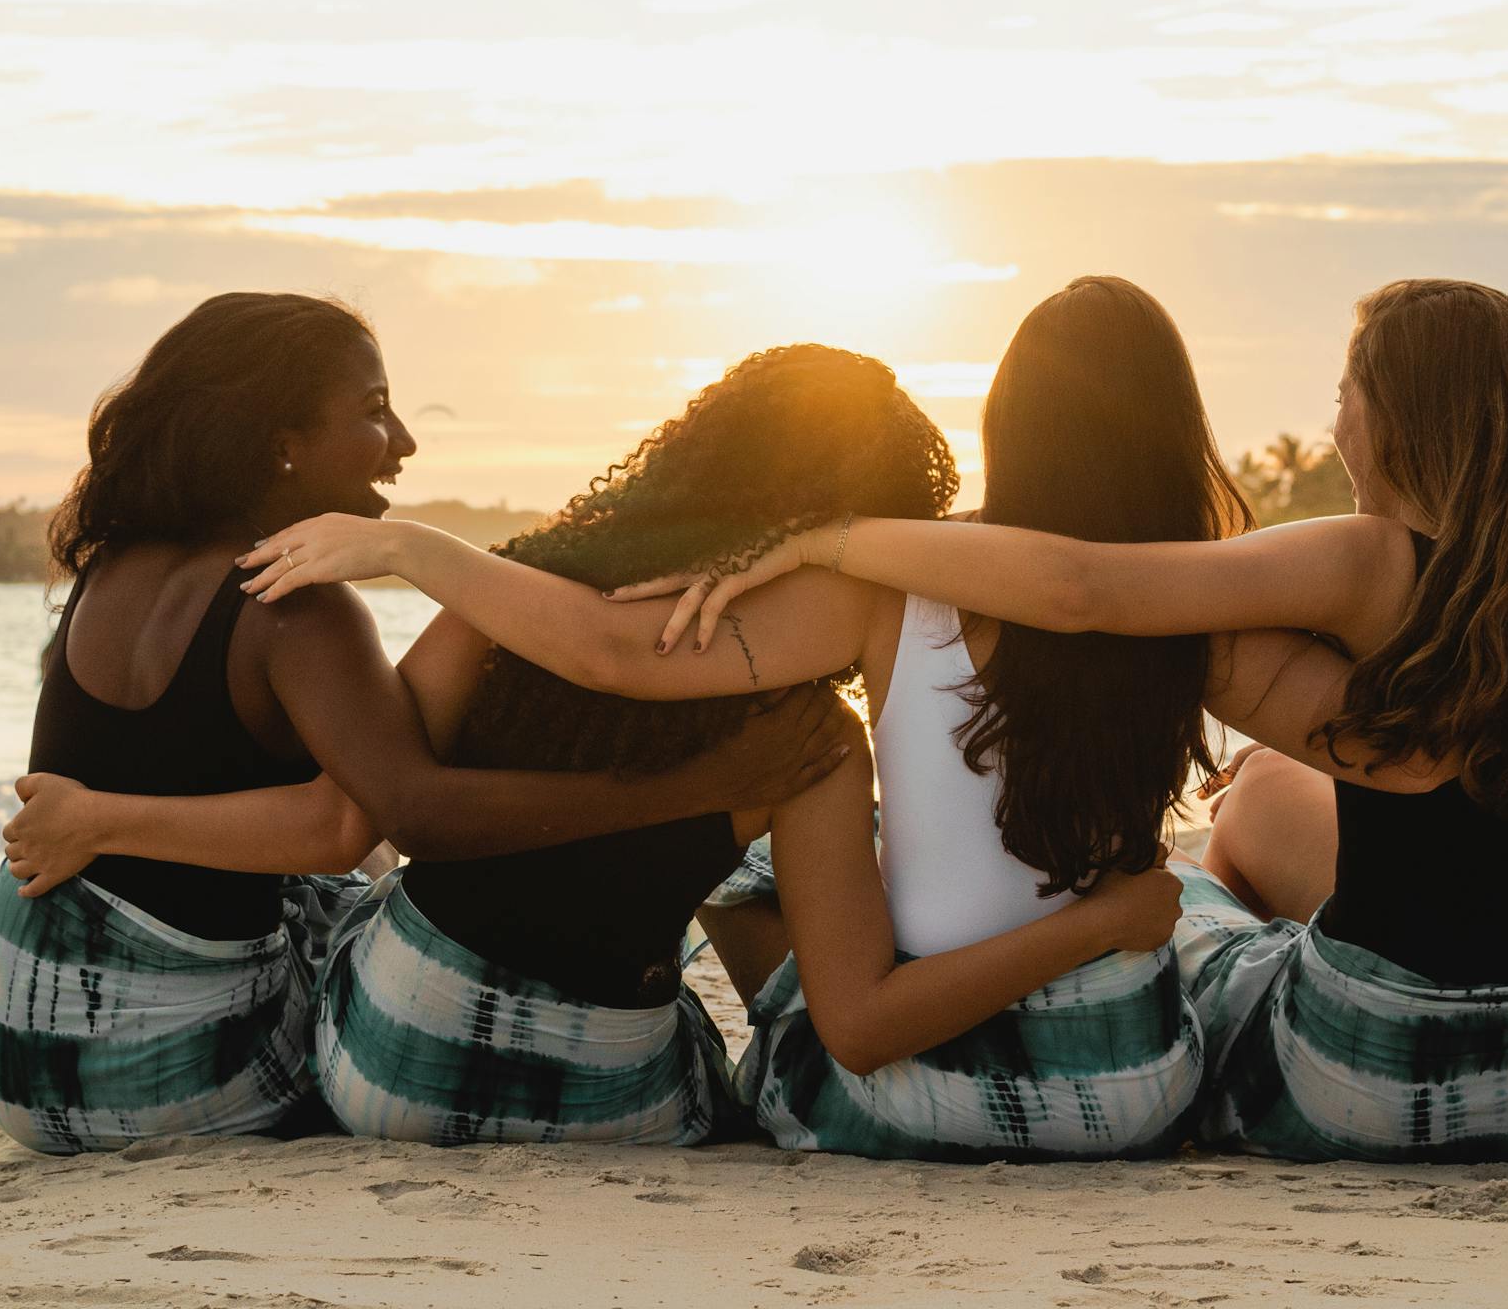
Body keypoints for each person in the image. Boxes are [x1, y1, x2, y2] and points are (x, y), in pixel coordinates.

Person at [242, 283, 1349, 1160]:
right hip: (1128, 1100)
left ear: (1008, 423)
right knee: (1196, 904)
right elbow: (1374, 745)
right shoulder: (1201, 612)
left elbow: (614, 653)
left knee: (760, 892)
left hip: (889, 1105)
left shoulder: (876, 591)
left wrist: (416, 550)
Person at [610, 278, 1508, 1163]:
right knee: (1267, 794)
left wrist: (830, 538)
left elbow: (1085, 590)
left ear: (1407, 412)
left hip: (1355, 1074)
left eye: (1344, 392)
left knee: (1199, 923)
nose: (1333, 425)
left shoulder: (1367, 558)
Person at [17, 341, 1184, 1149]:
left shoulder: (513, 584)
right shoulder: (807, 739)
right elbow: (857, 1021)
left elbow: (361, 798)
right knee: (723, 968)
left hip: (380, 1068)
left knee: (350, 915)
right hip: (602, 1092)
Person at [0, 294, 848, 1154]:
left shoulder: (113, 567)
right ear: (282, 443)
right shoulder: (298, 610)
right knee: (369, 917)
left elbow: (318, 812)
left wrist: (104, 820)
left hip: (1, 1025)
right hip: (156, 1077)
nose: (405, 442)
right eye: (376, 410)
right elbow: (381, 820)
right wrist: (708, 787)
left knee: (333, 892)